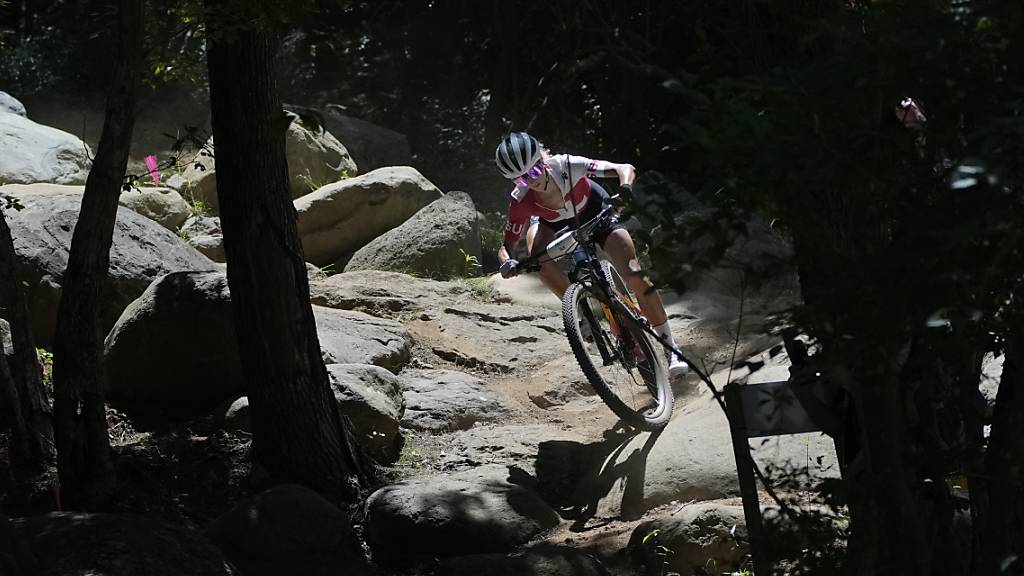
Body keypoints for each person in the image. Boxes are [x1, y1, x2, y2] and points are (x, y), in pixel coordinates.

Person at [493, 131, 688, 376]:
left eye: (532, 172)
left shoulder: (566, 165)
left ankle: (671, 348)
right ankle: (580, 307)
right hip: (556, 224)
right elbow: (506, 247)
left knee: (635, 274)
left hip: (595, 210)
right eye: (521, 180)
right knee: (536, 257)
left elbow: (624, 168)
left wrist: (625, 188)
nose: (530, 182)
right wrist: (507, 263)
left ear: (542, 159)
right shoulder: (519, 201)